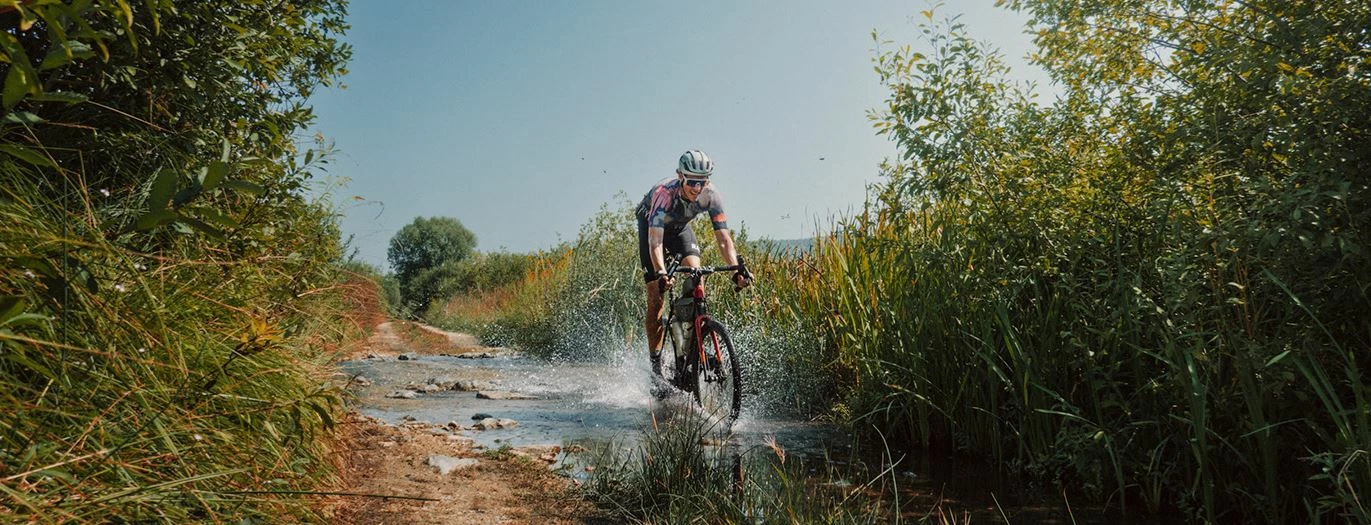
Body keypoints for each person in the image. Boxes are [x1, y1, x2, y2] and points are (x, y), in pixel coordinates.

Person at [636, 149, 751, 381]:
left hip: (680, 230)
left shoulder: (712, 195)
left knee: (697, 277)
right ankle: (656, 366)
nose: (697, 188)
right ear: (680, 176)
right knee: (656, 295)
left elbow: (723, 239)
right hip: (653, 231)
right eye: (692, 182)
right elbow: (655, 242)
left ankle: (688, 351)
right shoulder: (664, 194)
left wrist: (735, 269)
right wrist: (661, 272)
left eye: (703, 181)